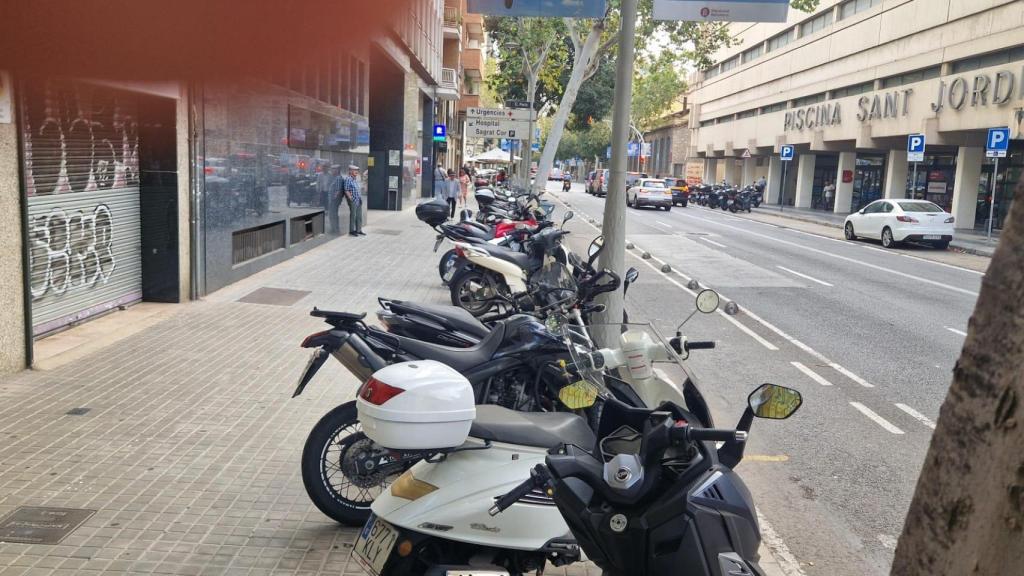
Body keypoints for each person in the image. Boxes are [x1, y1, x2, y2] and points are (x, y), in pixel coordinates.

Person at [341, 164, 364, 236]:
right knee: (353, 216)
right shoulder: (348, 179)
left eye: (357, 170)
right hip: (353, 200)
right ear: (350, 171)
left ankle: (359, 230)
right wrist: (351, 199)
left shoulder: (355, 179)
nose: (356, 171)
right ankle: (352, 231)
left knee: (359, 216)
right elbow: (346, 190)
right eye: (355, 170)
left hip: (358, 200)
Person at [326, 165, 343, 234]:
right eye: (332, 169)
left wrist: (334, 199)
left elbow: (338, 190)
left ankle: (335, 229)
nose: (332, 171)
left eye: (333, 169)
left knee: (333, 214)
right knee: (332, 214)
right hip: (333, 200)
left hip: (334, 200)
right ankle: (333, 229)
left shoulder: (338, 178)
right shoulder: (335, 178)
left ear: (337, 170)